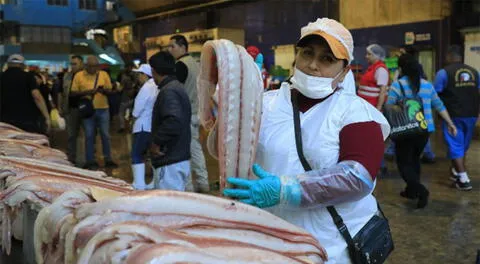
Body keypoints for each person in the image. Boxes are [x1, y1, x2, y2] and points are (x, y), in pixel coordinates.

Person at [224, 18, 390, 262]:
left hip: (329, 247)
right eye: (307, 53)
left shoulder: (356, 113)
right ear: (296, 57)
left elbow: (357, 177)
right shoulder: (265, 103)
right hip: (269, 240)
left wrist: (285, 190)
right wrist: (238, 95)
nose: (313, 65)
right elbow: (229, 148)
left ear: (344, 71)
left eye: (327, 59)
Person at [386, 54, 457, 207]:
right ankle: (411, 192)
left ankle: (421, 190)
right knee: (414, 160)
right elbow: (439, 105)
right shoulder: (427, 85)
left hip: (405, 129)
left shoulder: (398, 85)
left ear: (401, 69)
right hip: (424, 130)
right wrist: (450, 123)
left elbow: (389, 106)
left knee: (404, 163)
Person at [434, 45, 479, 191]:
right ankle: (456, 172)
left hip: (452, 115)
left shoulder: (443, 73)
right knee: (463, 145)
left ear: (449, 56)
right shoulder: (474, 72)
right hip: (472, 114)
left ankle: (463, 179)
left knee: (455, 145)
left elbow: (436, 95)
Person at [168, 34, 210, 193]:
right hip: (196, 113)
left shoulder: (180, 65)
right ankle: (203, 183)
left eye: (173, 46)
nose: (170, 49)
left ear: (183, 47)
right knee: (196, 150)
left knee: (183, 153)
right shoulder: (196, 64)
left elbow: (175, 91)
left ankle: (189, 188)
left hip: (185, 115)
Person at [149, 51, 192, 191]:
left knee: (167, 208)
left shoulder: (169, 91)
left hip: (170, 160)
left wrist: (156, 142)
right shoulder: (176, 86)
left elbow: (173, 120)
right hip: (178, 157)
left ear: (154, 71)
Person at [71, 55, 118, 170]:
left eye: (96, 66)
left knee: (105, 135)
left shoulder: (103, 74)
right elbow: (73, 93)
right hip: (88, 111)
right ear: (86, 66)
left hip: (103, 108)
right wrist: (88, 92)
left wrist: (104, 91)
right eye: (91, 66)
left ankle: (108, 159)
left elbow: (110, 90)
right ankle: (90, 160)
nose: (94, 69)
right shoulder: (79, 76)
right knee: (89, 135)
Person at [0, 54, 50, 134]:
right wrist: (46, 117)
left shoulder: (1, 76)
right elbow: (36, 96)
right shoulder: (28, 77)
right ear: (23, 65)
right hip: (27, 121)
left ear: (8, 64)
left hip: (4, 121)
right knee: (27, 144)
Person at [130, 64, 159, 190]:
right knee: (152, 154)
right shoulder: (157, 86)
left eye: (139, 74)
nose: (138, 77)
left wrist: (132, 116)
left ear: (144, 75)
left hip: (142, 125)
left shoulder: (146, 87)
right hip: (153, 125)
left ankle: (139, 183)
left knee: (137, 153)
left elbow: (137, 108)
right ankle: (154, 182)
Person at [60, 55, 84, 164]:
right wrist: (60, 107)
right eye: (72, 64)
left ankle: (83, 160)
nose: (73, 66)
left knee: (84, 135)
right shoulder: (66, 76)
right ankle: (71, 159)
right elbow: (61, 93)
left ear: (81, 64)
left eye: (75, 64)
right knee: (71, 135)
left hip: (84, 110)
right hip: (70, 108)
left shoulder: (86, 76)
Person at [358, 44, 390, 111]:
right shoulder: (372, 68)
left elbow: (382, 92)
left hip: (373, 108)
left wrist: (378, 109)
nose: (366, 56)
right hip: (366, 106)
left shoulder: (381, 70)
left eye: (369, 54)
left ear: (377, 56)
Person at [117, 62, 137, 133]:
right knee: (132, 113)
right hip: (133, 97)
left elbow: (120, 86)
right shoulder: (135, 74)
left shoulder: (123, 75)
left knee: (121, 113)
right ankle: (131, 128)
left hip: (125, 96)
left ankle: (123, 127)